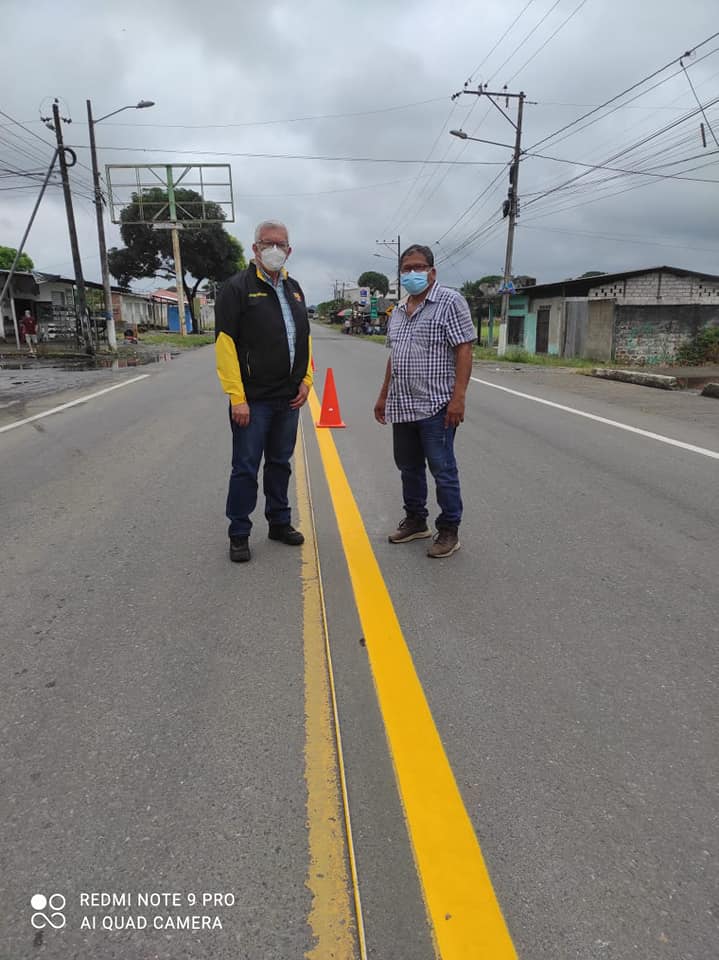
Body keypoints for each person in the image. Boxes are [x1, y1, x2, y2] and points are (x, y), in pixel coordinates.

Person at [215, 220, 312, 564]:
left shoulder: (294, 289)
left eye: (280, 244)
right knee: (245, 467)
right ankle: (239, 532)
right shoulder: (236, 288)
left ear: (289, 250)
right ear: (255, 248)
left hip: (288, 398)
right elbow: (225, 345)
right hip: (253, 401)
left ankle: (279, 522)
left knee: (280, 464)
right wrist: (237, 398)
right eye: (267, 243)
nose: (274, 249)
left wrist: (306, 380)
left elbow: (303, 339)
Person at [374, 244, 475, 559]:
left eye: (418, 267)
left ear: (432, 271)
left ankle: (449, 530)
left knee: (442, 469)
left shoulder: (450, 301)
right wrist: (384, 395)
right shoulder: (399, 310)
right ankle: (416, 520)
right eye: (406, 269)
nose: (412, 273)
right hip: (403, 403)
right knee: (408, 467)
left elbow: (464, 349)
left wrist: (458, 398)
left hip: (437, 404)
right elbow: (395, 355)